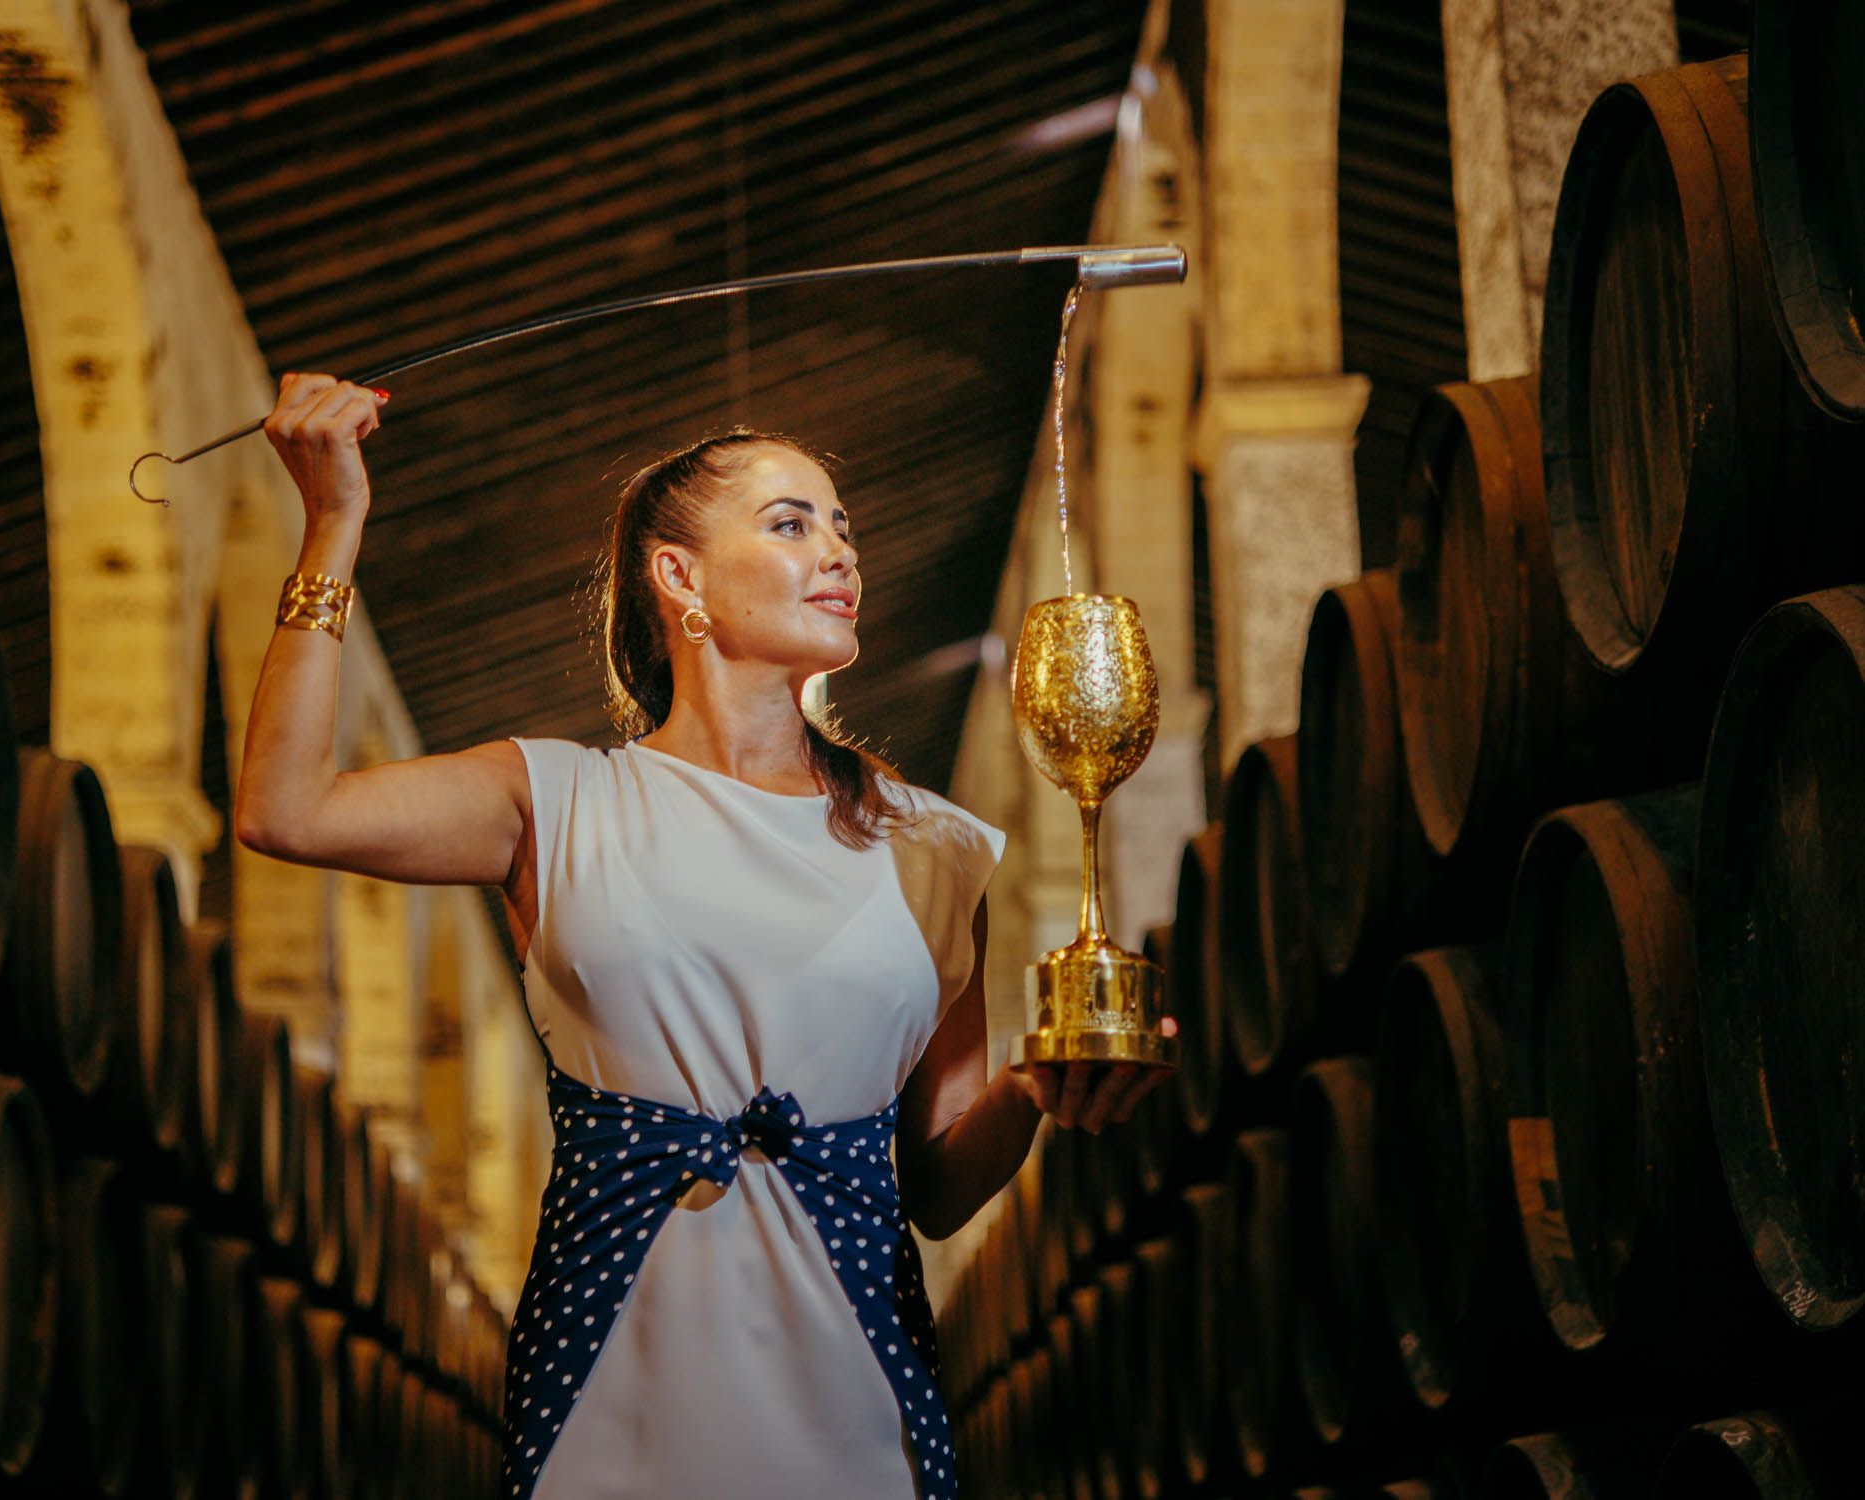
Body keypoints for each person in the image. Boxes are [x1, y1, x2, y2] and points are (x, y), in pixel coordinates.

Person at [235, 372, 1170, 1500]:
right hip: (611, 1373)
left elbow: (933, 1185)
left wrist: (1032, 1090)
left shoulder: (934, 846)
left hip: (854, 1387)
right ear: (678, 577)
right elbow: (284, 810)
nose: (840, 553)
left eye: (844, 528)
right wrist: (334, 523)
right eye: (791, 523)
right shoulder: (555, 797)